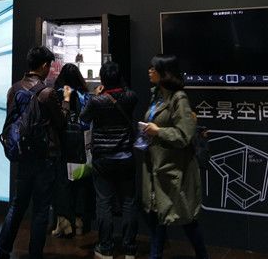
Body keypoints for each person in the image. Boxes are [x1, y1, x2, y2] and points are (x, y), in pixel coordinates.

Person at [0, 46, 71, 259]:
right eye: (50, 66)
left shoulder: (14, 89)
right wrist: (66, 100)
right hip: (45, 158)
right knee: (40, 210)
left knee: (17, 206)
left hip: (22, 156)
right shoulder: (47, 93)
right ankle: (35, 255)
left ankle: (2, 252)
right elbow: (61, 122)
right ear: (44, 66)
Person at [140, 54, 208, 259]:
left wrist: (158, 131)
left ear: (165, 73)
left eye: (153, 68)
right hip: (157, 167)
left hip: (174, 170)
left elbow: (184, 135)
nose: (149, 71)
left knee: (187, 219)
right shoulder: (157, 95)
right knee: (159, 220)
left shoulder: (179, 98)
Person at [80, 61, 138, 259]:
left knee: (104, 202)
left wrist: (95, 95)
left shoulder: (97, 101)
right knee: (128, 201)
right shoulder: (130, 97)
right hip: (126, 156)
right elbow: (128, 93)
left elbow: (84, 118)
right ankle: (129, 247)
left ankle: (105, 247)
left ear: (102, 79)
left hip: (103, 159)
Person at [51, 63, 94, 238]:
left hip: (63, 143)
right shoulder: (85, 95)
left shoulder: (59, 93)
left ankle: (64, 222)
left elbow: (58, 119)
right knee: (80, 181)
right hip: (81, 143)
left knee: (62, 181)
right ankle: (79, 221)